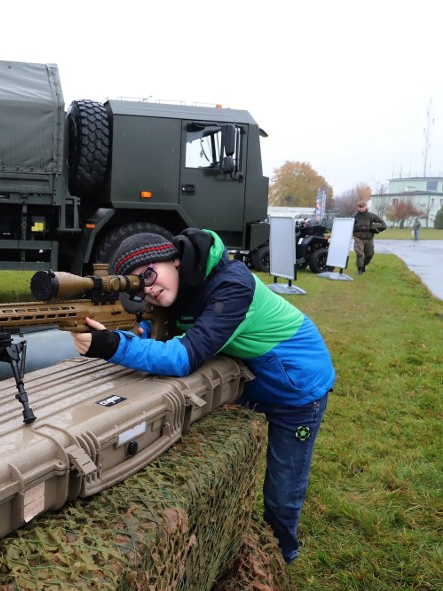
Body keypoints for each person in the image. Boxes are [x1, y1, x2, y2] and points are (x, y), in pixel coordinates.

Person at [71, 229, 335, 565]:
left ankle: (281, 558)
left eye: (150, 274)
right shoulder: (185, 283)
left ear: (175, 259)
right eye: (139, 285)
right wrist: (140, 332)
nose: (148, 288)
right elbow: (177, 326)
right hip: (253, 378)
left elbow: (183, 357)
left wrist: (112, 346)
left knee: (283, 491)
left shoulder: (232, 285)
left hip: (298, 389)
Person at [352, 201, 386, 274]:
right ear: (358, 208)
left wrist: (379, 228)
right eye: (359, 207)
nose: (361, 208)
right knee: (359, 253)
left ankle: (363, 265)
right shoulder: (355, 217)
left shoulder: (371, 216)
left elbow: (382, 223)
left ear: (365, 207)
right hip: (358, 237)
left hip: (369, 238)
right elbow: (348, 225)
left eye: (362, 207)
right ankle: (360, 269)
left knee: (370, 254)